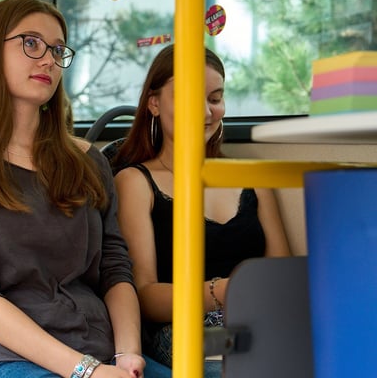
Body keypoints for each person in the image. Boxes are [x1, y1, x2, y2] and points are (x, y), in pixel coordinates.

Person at [0, 0, 146, 378]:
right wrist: (85, 371)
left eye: (58, 49)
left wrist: (128, 355)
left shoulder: (88, 162)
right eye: (31, 43)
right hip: (10, 356)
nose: (48, 59)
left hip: (104, 348)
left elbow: (115, 268)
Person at [112, 44, 291, 376]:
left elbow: (283, 275)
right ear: (154, 103)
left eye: (214, 98)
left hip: (260, 319)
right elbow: (144, 295)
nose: (207, 113)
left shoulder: (253, 178)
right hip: (181, 329)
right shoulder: (135, 182)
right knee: (252, 357)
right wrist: (221, 291)